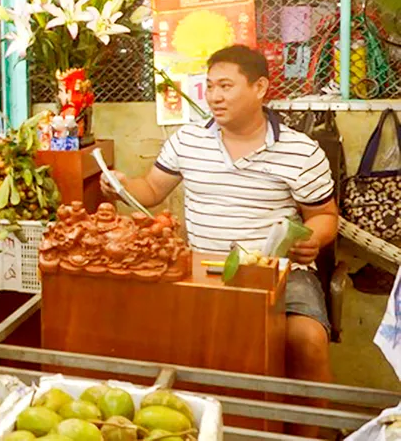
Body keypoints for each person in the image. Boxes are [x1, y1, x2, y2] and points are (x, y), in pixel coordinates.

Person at [101, 45, 337, 436]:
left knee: (306, 338)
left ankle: (314, 434)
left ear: (260, 87)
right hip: (200, 268)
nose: (214, 96)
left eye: (226, 86)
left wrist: (314, 238)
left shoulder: (300, 151)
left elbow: (325, 216)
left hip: (279, 271)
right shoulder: (187, 141)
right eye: (209, 86)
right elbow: (151, 189)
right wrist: (121, 186)